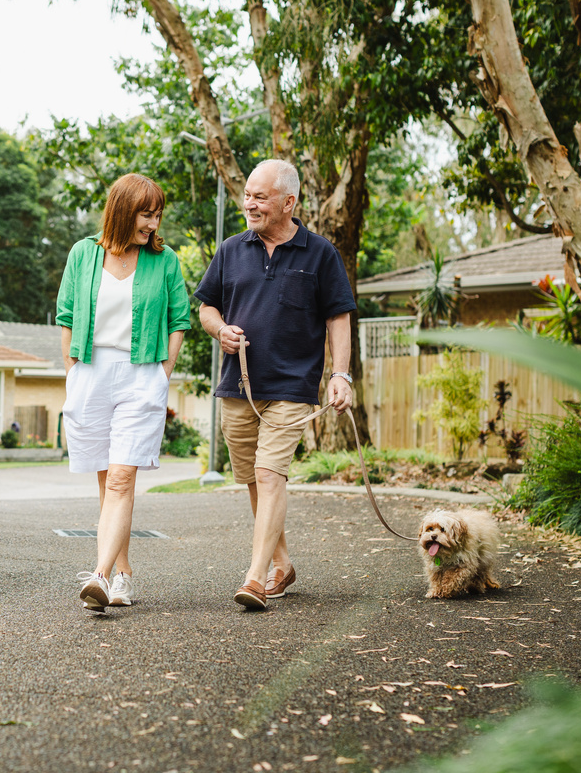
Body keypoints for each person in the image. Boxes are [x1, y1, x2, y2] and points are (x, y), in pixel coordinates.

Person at [194, 159, 356, 610]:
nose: (249, 203)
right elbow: (206, 307)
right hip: (238, 386)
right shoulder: (230, 249)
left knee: (270, 474)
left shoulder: (320, 253)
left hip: (291, 386)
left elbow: (338, 316)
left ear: (289, 202)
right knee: (251, 478)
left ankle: (256, 576)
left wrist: (339, 374)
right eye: (247, 194)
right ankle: (282, 564)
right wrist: (219, 328)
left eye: (260, 197)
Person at [57, 173, 190, 612]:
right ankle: (122, 574)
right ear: (121, 210)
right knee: (106, 482)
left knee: (121, 478)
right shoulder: (83, 253)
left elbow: (179, 319)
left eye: (156, 215)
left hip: (140, 375)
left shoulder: (164, 260)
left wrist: (163, 373)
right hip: (91, 373)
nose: (152, 224)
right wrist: (72, 372)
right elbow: (67, 314)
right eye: (145, 214)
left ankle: (97, 574)